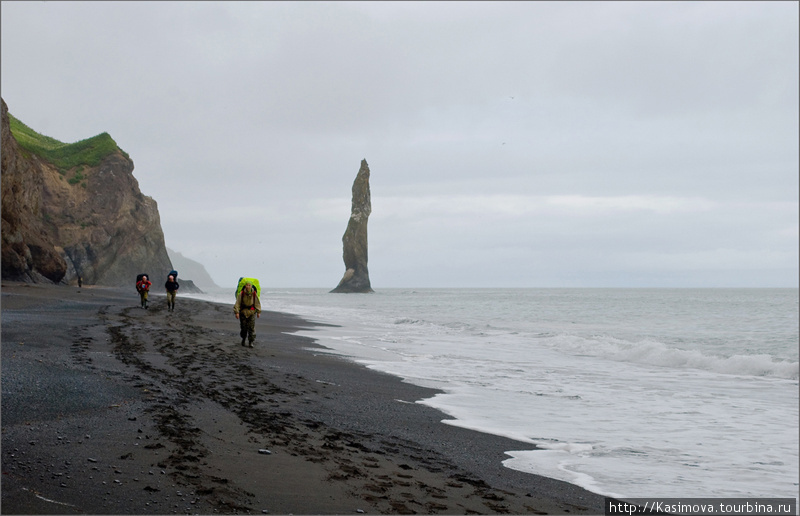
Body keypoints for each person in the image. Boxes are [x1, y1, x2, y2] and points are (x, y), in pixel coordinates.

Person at [234, 281, 261, 347]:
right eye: (247, 285)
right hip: (243, 312)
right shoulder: (242, 293)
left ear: (251, 286)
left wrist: (258, 312)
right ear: (245, 286)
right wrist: (236, 312)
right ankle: (243, 339)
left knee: (251, 328)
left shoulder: (254, 293)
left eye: (249, 285)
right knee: (243, 327)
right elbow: (237, 303)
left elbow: (257, 303)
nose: (248, 286)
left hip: (251, 312)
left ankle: (251, 342)